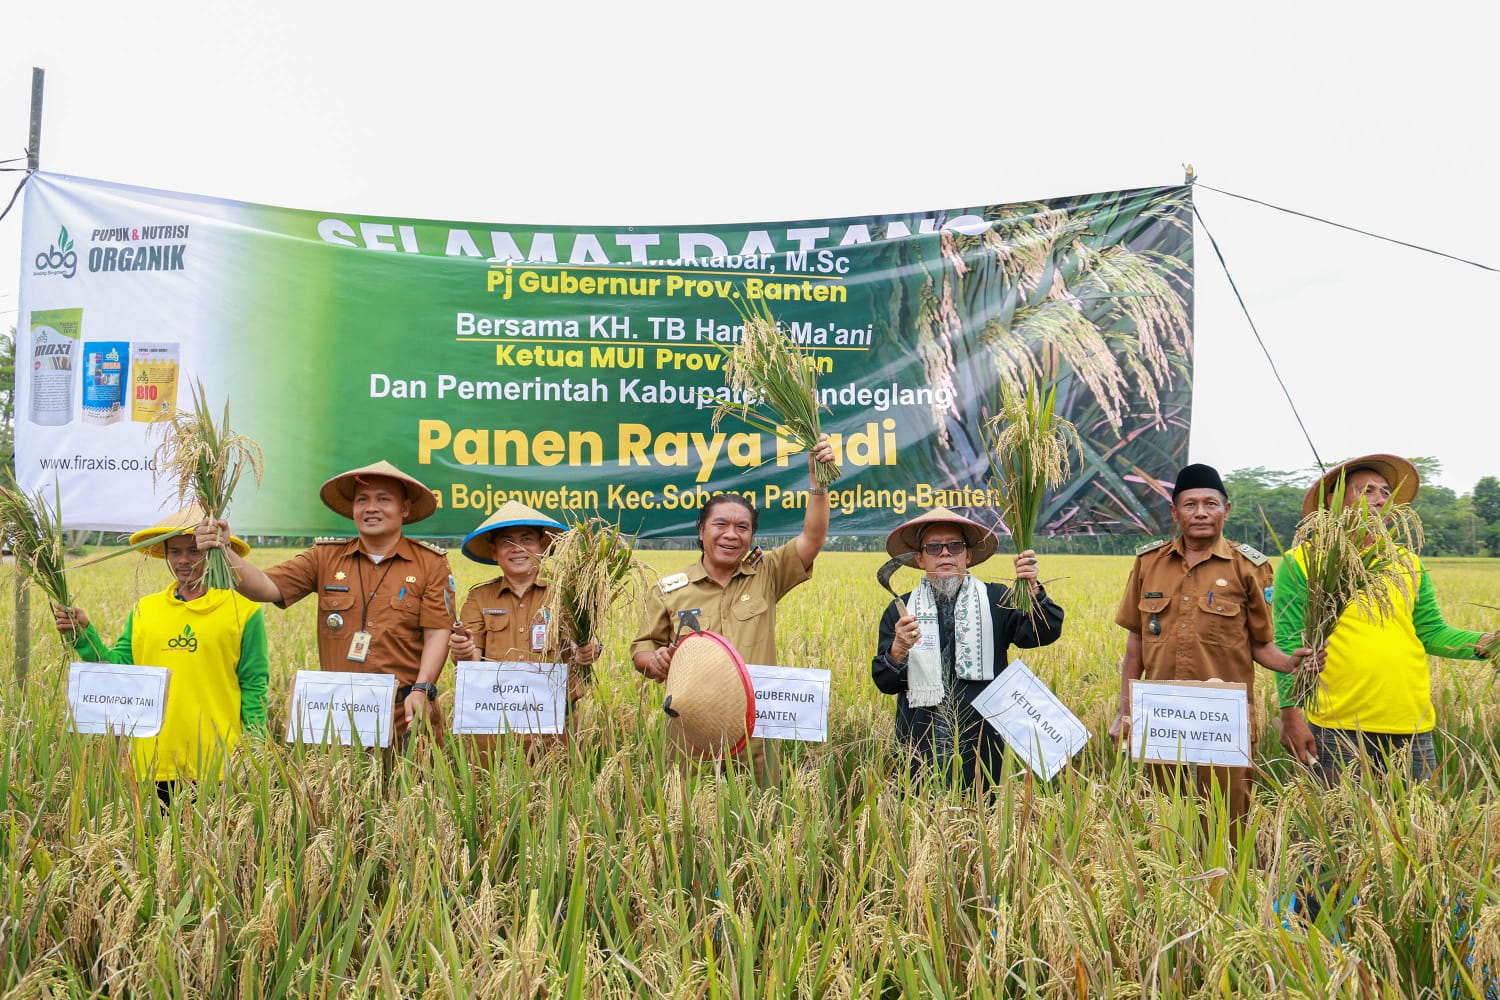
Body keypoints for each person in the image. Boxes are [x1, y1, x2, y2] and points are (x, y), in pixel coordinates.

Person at [1110, 463, 1317, 833]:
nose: (1201, 512)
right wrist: (1125, 710)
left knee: (1228, 821)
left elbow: (1261, 644)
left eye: (1210, 504)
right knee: (1163, 820)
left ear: (1226, 509)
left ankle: (1227, 888)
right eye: (1190, 505)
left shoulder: (1249, 567)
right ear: (1175, 512)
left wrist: (1289, 664)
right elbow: (1136, 644)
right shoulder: (1148, 564)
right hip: (1161, 718)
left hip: (1222, 721)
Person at [1275, 454, 1498, 784]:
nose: (1380, 499)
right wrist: (1290, 714)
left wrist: (1484, 645)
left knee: (1413, 829)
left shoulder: (1408, 564)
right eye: (1366, 491)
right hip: (1337, 725)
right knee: (1342, 830)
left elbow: (1431, 631)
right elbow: (1290, 643)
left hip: (1410, 721)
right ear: (1335, 502)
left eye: (1385, 491)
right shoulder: (1304, 562)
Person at [197, 459, 454, 742]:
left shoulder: (430, 563)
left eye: (384, 499)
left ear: (404, 508)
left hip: (405, 714)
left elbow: (437, 632)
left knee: (410, 786)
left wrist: (422, 688)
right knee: (339, 787)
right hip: (340, 715)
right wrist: (223, 549)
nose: (371, 507)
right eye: (362, 500)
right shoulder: (325, 557)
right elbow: (265, 587)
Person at [630, 435, 837, 783]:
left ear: (751, 536)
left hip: (755, 730)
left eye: (742, 527)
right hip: (691, 729)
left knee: (759, 819)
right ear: (701, 531)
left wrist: (818, 483)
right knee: (691, 818)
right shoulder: (670, 590)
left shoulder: (767, 574)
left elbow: (812, 539)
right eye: (720, 525)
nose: (731, 534)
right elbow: (642, 649)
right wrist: (656, 661)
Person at [54, 505, 268, 802]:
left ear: (214, 551)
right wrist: (82, 633)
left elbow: (254, 685)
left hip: (218, 763)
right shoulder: (146, 610)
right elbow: (119, 672)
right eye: (175, 551)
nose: (183, 561)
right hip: (153, 761)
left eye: (194, 551)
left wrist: (253, 751)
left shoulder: (243, 611)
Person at [870, 507, 1064, 789]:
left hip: (983, 742)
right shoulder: (902, 610)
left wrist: (1033, 590)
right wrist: (899, 647)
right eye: (934, 547)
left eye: (955, 546)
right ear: (921, 558)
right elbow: (885, 682)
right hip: (921, 741)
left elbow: (1043, 633)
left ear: (968, 556)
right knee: (922, 816)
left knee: (985, 816)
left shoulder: (998, 599)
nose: (945, 553)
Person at [447, 500, 602, 761]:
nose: (518, 549)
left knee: (558, 798)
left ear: (543, 546)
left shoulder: (568, 593)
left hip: (556, 725)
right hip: (494, 727)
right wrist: (462, 652)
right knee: (492, 798)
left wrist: (588, 649)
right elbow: (472, 660)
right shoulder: (479, 598)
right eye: (507, 541)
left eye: (527, 539)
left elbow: (584, 643)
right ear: (494, 550)